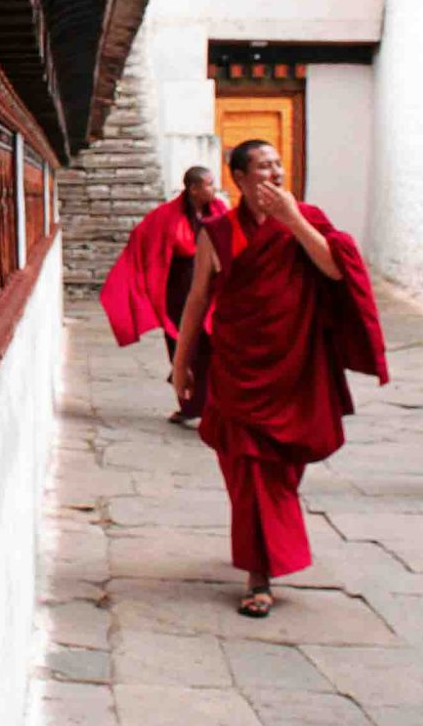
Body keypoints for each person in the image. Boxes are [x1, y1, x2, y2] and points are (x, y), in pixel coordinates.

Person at [172, 140, 386, 618]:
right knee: (246, 468)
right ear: (241, 180)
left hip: (294, 365)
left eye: (278, 164)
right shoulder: (218, 232)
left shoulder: (306, 218)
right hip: (237, 363)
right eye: (263, 167)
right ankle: (259, 574)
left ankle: (258, 548)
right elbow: (197, 298)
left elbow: (335, 268)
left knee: (279, 469)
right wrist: (182, 361)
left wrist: (295, 222)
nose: (275, 173)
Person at [99, 167, 229, 423]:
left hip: (211, 289)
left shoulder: (220, 210)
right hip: (179, 292)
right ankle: (190, 405)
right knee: (182, 345)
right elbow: (142, 239)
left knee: (211, 347)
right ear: (193, 188)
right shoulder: (167, 216)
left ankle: (215, 406)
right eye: (209, 184)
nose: (214, 190)